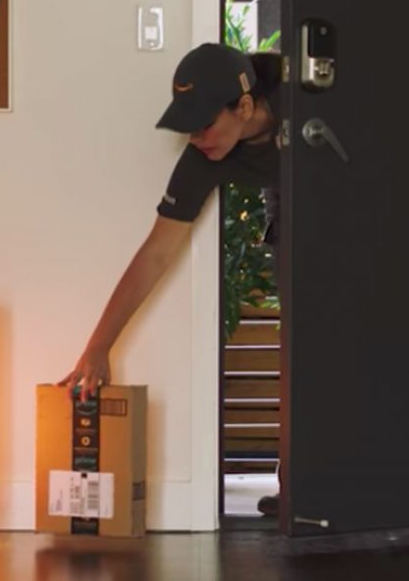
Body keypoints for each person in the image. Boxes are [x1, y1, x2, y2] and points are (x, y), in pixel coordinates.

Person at [58, 43, 283, 512]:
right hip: (289, 212)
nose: (195, 139)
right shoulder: (204, 158)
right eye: (187, 128)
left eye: (204, 125)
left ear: (244, 107)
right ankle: (300, 484)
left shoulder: (300, 93)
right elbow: (156, 253)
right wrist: (98, 346)